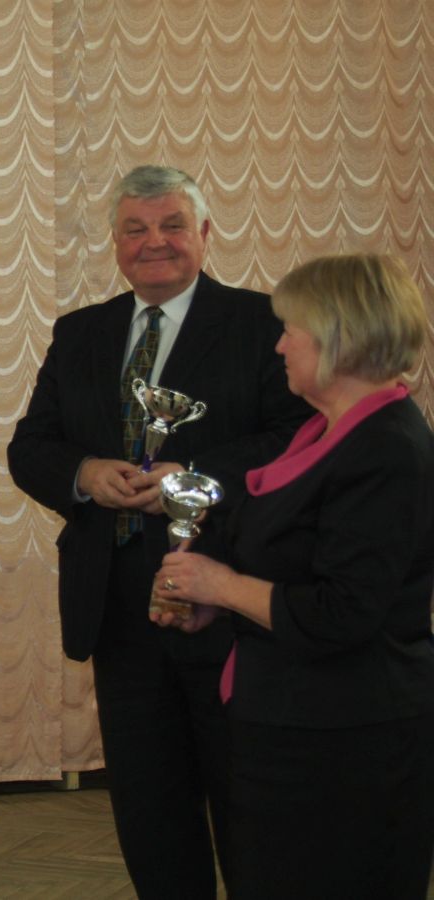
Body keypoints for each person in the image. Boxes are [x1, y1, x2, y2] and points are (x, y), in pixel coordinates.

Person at [7, 165, 310, 898]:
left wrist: (191, 475)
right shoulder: (80, 332)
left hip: (230, 608)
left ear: (203, 233)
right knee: (150, 814)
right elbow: (31, 447)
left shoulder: (263, 323)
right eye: (136, 229)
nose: (155, 243)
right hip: (117, 609)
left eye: (173, 225)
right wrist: (86, 474)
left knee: (250, 810)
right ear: (115, 243)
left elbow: (297, 438)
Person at [153, 254, 434, 899]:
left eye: (290, 330)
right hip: (297, 725)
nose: (279, 345)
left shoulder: (386, 449)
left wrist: (219, 585)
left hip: (347, 741)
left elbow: (341, 613)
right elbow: (296, 569)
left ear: (339, 338)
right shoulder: (324, 431)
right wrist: (218, 603)